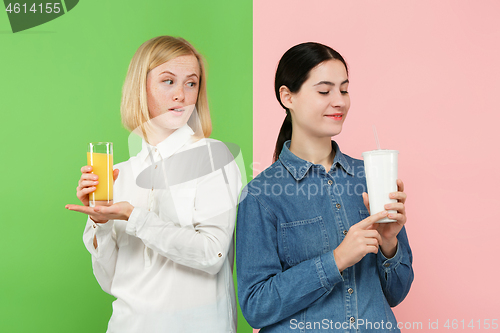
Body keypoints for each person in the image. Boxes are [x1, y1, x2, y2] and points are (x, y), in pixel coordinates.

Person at [66, 36, 241, 332]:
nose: (182, 96)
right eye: (168, 81)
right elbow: (110, 280)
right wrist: (101, 221)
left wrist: (134, 217)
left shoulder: (213, 157)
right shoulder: (118, 174)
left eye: (191, 83)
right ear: (140, 87)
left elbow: (213, 254)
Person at [236, 42, 413, 332]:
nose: (339, 101)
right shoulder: (261, 195)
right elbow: (256, 306)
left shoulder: (369, 177)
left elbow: (397, 293)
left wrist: (390, 243)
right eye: (324, 91)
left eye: (343, 90)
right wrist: (336, 260)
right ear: (287, 96)